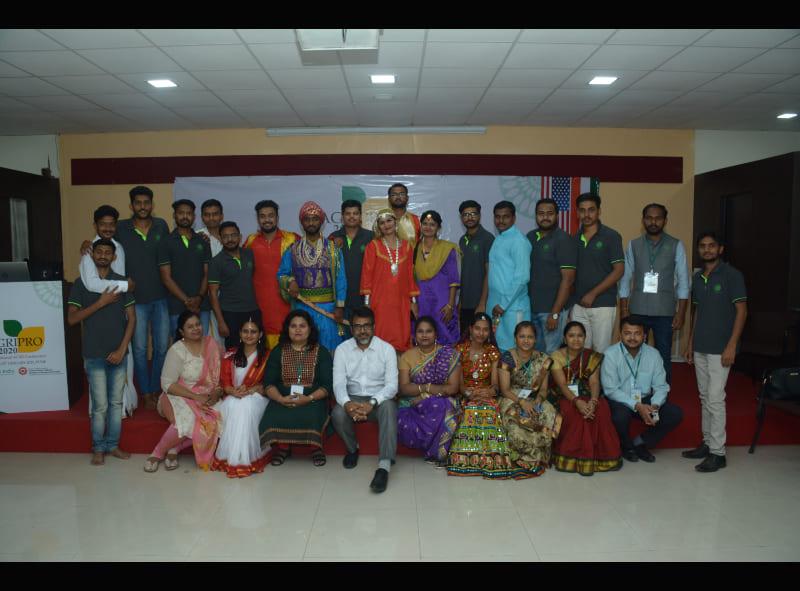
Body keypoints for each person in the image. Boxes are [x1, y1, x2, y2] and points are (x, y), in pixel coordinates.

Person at [682, 232, 748, 473]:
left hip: (721, 348)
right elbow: (697, 312)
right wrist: (690, 342)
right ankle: (707, 443)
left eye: (712, 246)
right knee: (704, 397)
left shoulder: (732, 275)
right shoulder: (698, 277)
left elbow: (742, 311)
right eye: (703, 246)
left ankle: (718, 453)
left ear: (720, 249)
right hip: (701, 345)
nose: (707, 249)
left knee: (715, 398)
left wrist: (732, 345)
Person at [67, 238, 136, 465]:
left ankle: (113, 445)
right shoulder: (81, 283)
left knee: (116, 404)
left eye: (108, 252)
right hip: (94, 354)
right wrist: (101, 302)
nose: (103, 255)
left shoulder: (122, 282)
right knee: (100, 406)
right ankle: (98, 447)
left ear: (114, 257)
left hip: (119, 353)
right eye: (99, 252)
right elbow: (72, 319)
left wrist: (122, 349)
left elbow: (132, 319)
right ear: (92, 255)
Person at [143, 310, 223, 473]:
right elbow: (167, 384)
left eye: (198, 324)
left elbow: (219, 377)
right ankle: (157, 453)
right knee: (188, 418)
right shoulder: (177, 350)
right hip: (178, 395)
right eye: (190, 326)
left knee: (222, 420)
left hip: (207, 395)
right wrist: (196, 397)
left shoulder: (212, 345)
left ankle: (175, 448)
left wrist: (216, 393)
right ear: (181, 331)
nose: (196, 329)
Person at [447, 313, 524, 479]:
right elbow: (459, 384)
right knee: (471, 409)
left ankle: (492, 460)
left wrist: (490, 391)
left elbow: (495, 384)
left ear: (490, 332)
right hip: (465, 394)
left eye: (485, 330)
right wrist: (469, 394)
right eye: (477, 328)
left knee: (488, 409)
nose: (480, 333)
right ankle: (465, 459)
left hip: (486, 394)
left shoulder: (493, 352)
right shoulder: (459, 350)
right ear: (470, 329)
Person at [619, 204, 690, 384]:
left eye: (658, 218)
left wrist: (681, 312)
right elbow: (625, 278)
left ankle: (661, 393)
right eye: (649, 218)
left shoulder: (676, 245)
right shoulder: (633, 245)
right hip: (637, 310)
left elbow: (683, 281)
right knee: (634, 353)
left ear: (665, 221)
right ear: (643, 220)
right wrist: (624, 310)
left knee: (662, 355)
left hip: (664, 311)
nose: (653, 222)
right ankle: (634, 390)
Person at [78, 205, 138, 417]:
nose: (107, 228)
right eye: (103, 224)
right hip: (100, 311)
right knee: (100, 367)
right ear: (95, 225)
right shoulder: (89, 250)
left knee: (124, 359)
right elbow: (93, 284)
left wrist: (124, 295)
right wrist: (125, 286)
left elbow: (117, 274)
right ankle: (102, 411)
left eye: (112, 224)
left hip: (118, 310)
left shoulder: (117, 247)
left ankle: (123, 406)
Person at [331, 307, 399, 493]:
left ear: (374, 327)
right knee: (337, 413)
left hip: (379, 400)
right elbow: (338, 384)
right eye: (358, 326)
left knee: (389, 408)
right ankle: (353, 449)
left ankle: (384, 467)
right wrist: (347, 403)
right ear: (351, 328)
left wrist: (372, 403)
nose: (362, 331)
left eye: (367, 326)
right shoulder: (342, 350)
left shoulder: (387, 349)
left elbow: (392, 386)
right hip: (352, 398)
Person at [115, 185, 170, 410]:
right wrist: (88, 244)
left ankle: (156, 388)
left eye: (146, 202)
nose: (143, 206)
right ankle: (146, 392)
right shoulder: (121, 228)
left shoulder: (161, 225)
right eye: (138, 203)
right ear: (131, 206)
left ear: (152, 204)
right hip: (134, 300)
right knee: (138, 349)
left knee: (161, 348)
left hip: (161, 297)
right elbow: (103, 242)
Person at [601, 316, 683, 463]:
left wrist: (654, 406)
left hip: (645, 399)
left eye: (637, 333)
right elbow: (611, 390)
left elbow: (661, 386)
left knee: (674, 414)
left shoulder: (653, 354)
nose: (632, 338)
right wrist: (637, 406)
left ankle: (640, 443)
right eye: (627, 333)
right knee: (620, 416)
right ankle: (626, 446)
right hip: (620, 399)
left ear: (644, 336)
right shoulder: (610, 354)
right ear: (620, 334)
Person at [259, 310, 333, 468]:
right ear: (287, 329)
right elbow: (268, 383)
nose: (298, 330)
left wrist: (309, 398)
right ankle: (283, 448)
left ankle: (316, 448)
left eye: (302, 326)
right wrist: (280, 399)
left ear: (310, 329)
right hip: (283, 397)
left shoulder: (321, 352)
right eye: (293, 326)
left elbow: (327, 384)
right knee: (275, 413)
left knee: (312, 413)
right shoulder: (278, 351)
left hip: (313, 398)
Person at [550, 321, 622, 476]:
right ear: (565, 338)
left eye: (580, 336)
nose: (576, 339)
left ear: (585, 338)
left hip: (588, 393)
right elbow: (562, 385)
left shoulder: (592, 356)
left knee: (602, 409)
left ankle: (600, 458)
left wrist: (593, 401)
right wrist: (577, 402)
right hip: (564, 395)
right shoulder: (556, 356)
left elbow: (594, 382)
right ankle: (572, 458)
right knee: (573, 412)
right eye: (571, 336)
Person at [278, 201, 347, 353]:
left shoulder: (333, 249)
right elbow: (282, 273)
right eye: (307, 219)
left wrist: (340, 306)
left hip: (328, 309)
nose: (311, 223)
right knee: (303, 349)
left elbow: (341, 278)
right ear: (302, 223)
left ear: (321, 222)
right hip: (302, 308)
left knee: (328, 350)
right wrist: (290, 281)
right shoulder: (293, 250)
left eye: (315, 219)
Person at [396, 316, 461, 466]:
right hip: (412, 403)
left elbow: (453, 388)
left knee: (441, 405)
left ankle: (437, 453)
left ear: (436, 334)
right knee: (405, 417)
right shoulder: (407, 356)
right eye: (420, 331)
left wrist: (426, 394)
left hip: (441, 401)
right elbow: (404, 388)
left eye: (429, 331)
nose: (424, 335)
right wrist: (427, 388)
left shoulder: (449, 354)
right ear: (415, 335)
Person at [497, 321, 559, 477]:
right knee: (514, 418)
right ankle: (520, 457)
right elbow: (504, 389)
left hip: (535, 397)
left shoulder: (543, 359)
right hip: (512, 397)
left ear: (535, 339)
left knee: (548, 412)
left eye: (530, 337)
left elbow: (543, 390)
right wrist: (522, 402)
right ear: (515, 338)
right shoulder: (507, 357)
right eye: (522, 336)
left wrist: (538, 401)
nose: (526, 340)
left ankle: (539, 456)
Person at [212, 318, 270, 478]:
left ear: (260, 334)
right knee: (235, 405)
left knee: (244, 406)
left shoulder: (267, 356)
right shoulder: (230, 354)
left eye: (253, 331)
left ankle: (243, 458)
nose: (249, 335)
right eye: (245, 331)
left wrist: (253, 389)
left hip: (259, 397)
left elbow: (270, 384)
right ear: (240, 333)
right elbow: (224, 382)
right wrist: (232, 391)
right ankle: (237, 457)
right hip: (233, 396)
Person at [571, 193, 625, 354]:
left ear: (599, 211)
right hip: (578, 305)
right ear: (577, 213)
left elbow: (619, 270)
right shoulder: (574, 238)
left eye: (591, 210)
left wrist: (593, 294)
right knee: (579, 351)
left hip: (603, 305)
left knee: (600, 353)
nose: (586, 214)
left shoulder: (611, 236)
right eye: (582, 210)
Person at [360, 209, 419, 352]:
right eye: (382, 223)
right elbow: (367, 275)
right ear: (378, 227)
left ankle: (400, 365)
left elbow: (410, 276)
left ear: (395, 222)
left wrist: (413, 302)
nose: (386, 225)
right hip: (380, 301)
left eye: (389, 221)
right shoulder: (373, 246)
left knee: (402, 337)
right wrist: (367, 304)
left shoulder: (407, 246)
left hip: (401, 301)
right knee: (381, 338)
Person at [244, 200, 299, 349]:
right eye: (262, 216)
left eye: (270, 215)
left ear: (277, 217)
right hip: (259, 308)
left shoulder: (292, 239)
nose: (267, 219)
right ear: (257, 219)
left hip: (287, 306)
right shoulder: (250, 241)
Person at [526, 198, 577, 354]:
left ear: (557, 215)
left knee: (549, 356)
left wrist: (555, 313)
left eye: (550, 213)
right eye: (541, 213)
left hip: (551, 312)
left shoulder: (564, 239)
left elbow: (568, 279)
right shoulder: (530, 237)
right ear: (536, 216)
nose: (545, 217)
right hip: (531, 309)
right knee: (533, 355)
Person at [158, 199, 212, 336]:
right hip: (177, 306)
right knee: (180, 346)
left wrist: (199, 298)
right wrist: (187, 301)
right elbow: (166, 278)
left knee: (202, 345)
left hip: (202, 306)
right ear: (174, 215)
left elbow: (207, 273)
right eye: (181, 213)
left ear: (194, 217)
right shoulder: (165, 242)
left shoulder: (203, 241)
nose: (185, 216)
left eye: (189, 213)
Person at [208, 221, 262, 349]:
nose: (230, 239)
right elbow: (213, 294)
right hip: (230, 313)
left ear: (240, 237)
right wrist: (221, 322)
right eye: (225, 236)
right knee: (234, 351)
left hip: (252, 310)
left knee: (256, 349)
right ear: (220, 239)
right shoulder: (216, 262)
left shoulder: (249, 254)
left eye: (233, 235)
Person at [487, 201, 531, 352]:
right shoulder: (499, 238)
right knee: (498, 349)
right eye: (497, 217)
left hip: (512, 308)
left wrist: (503, 304)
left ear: (514, 218)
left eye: (505, 217)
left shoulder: (519, 241)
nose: (501, 220)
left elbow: (522, 278)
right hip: (497, 307)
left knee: (516, 350)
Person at [413, 210, 461, 345]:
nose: (428, 227)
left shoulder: (447, 249)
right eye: (425, 224)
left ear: (438, 227)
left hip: (442, 302)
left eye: (432, 224)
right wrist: (413, 302)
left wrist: (450, 305)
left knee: (444, 335)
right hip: (422, 301)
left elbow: (453, 280)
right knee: (423, 335)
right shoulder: (414, 248)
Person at [328, 199, 374, 326]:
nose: (352, 217)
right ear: (342, 217)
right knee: (343, 334)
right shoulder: (333, 238)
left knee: (363, 331)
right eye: (348, 214)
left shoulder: (371, 237)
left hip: (364, 297)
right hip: (341, 300)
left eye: (355, 213)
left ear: (360, 216)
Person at [457, 200, 494, 337]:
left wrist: (482, 303)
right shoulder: (462, 240)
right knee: (465, 342)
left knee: (481, 340)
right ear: (461, 218)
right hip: (465, 303)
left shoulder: (487, 238)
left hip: (480, 304)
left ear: (479, 216)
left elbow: (489, 272)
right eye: (466, 215)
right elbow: (464, 273)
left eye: (473, 214)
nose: (469, 217)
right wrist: (460, 302)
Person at [196, 199, 225, 348]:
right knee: (207, 338)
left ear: (221, 216)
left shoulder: (229, 236)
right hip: (205, 296)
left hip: (227, 296)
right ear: (202, 217)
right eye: (207, 215)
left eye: (215, 214)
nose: (211, 218)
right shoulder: (197, 236)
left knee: (225, 337)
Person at [388, 182, 420, 246]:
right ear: (389, 199)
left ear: (407, 198)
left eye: (401, 194)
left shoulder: (417, 220)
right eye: (394, 195)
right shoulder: (382, 221)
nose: (398, 197)